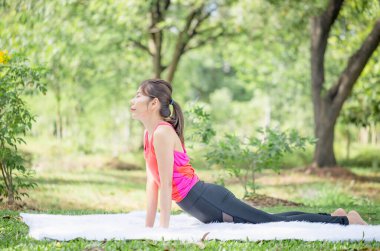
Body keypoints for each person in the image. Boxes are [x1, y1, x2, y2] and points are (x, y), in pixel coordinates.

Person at [129, 79, 368, 228]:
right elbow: (154, 182)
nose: (133, 99)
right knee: (267, 219)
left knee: (271, 222)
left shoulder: (161, 133)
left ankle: (345, 221)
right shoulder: (149, 135)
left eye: (139, 94)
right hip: (201, 202)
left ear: (153, 104)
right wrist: (150, 228)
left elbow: (168, 183)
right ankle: (333, 217)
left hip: (206, 198)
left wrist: (163, 230)